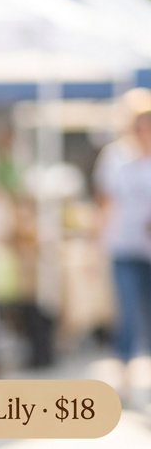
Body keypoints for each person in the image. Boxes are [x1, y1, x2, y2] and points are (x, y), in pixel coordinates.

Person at [92, 89, 151, 395]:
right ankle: (126, 372)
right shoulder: (115, 157)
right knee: (127, 312)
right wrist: (97, 242)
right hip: (124, 246)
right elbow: (104, 202)